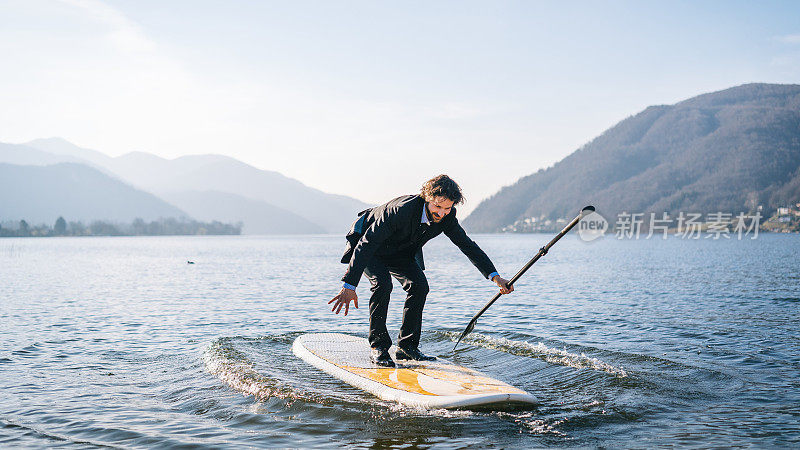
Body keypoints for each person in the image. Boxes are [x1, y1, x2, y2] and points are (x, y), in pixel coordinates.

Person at [329, 174, 514, 367]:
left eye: (447, 208)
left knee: (419, 286)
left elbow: (467, 245)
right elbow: (367, 243)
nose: (441, 213)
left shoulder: (447, 217)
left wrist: (495, 277)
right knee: (383, 284)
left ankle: (406, 347)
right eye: (437, 206)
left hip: (400, 251)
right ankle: (379, 347)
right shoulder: (400, 210)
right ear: (426, 197)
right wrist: (349, 285)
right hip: (370, 248)